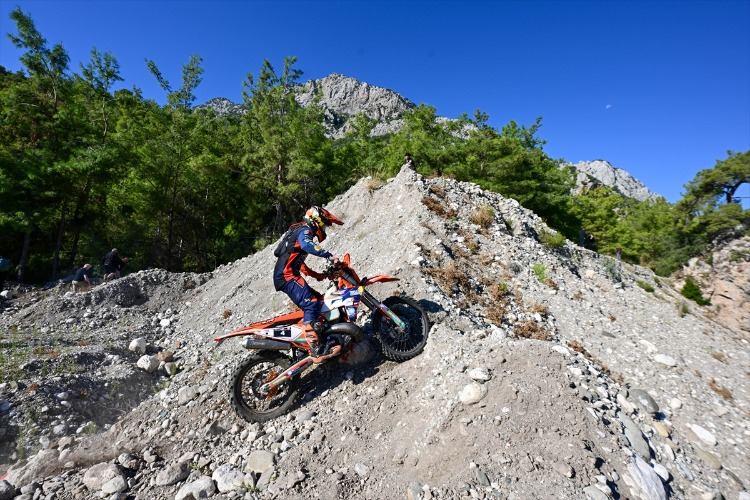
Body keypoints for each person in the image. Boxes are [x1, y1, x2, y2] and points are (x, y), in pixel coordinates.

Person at [273, 206, 344, 363]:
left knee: (318, 299)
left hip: (288, 275)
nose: (324, 229)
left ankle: (311, 340)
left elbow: (299, 262)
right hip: (286, 276)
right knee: (311, 304)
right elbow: (307, 246)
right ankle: (315, 348)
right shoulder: (305, 230)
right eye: (324, 225)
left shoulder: (297, 230)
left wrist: (318, 275)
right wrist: (329, 256)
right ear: (316, 220)